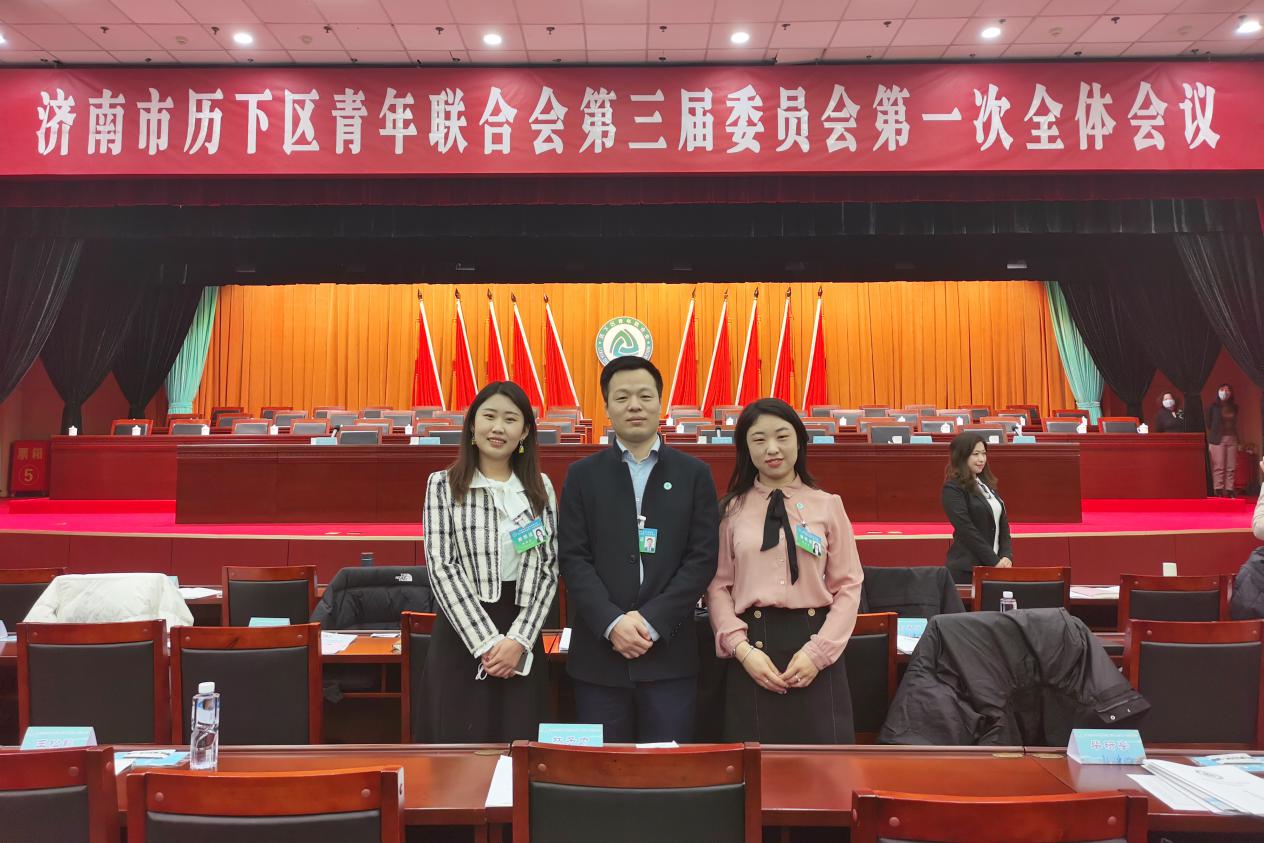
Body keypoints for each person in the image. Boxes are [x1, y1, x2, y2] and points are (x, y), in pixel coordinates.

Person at [558, 355, 719, 743]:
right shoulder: (582, 475)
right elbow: (573, 558)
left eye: (645, 396)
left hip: (670, 656)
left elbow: (701, 559)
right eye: (622, 397)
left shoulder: (694, 474)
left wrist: (651, 621)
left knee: (667, 769)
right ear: (607, 407)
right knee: (603, 769)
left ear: (660, 403)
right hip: (599, 658)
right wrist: (612, 623)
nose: (634, 405)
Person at [706, 398, 863, 743]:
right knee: (756, 766)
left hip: (815, 647)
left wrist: (818, 653)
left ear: (800, 441)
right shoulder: (731, 510)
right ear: (746, 449)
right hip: (752, 651)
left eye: (782, 436)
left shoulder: (828, 505)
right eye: (759, 440)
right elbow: (717, 587)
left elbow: (849, 586)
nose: (772, 449)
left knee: (824, 767)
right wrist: (742, 650)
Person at [419, 381, 558, 742]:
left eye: (510, 420)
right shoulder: (442, 485)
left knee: (520, 745)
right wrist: (487, 644)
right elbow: (442, 567)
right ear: (472, 425)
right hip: (462, 632)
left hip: (520, 632)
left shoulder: (539, 488)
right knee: (459, 750)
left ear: (524, 432)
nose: (498, 428)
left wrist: (518, 641)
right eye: (490, 417)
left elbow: (548, 569)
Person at [942, 433, 1012, 586]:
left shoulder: (986, 485)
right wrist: (994, 561)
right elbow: (966, 530)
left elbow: (1003, 524)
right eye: (975, 454)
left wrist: (1006, 556)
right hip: (967, 570)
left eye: (984, 453)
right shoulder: (953, 488)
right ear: (962, 456)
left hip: (995, 567)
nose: (981, 459)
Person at [1206, 383, 1240, 497]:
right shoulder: (1213, 407)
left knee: (1231, 466)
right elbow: (1209, 423)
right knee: (1218, 466)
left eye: (1228, 390)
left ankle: (1230, 489)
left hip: (1232, 438)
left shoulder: (1234, 407)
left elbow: (1235, 422)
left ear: (1231, 393)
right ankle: (1218, 489)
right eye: (1222, 389)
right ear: (1218, 391)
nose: (1225, 392)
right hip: (1217, 439)